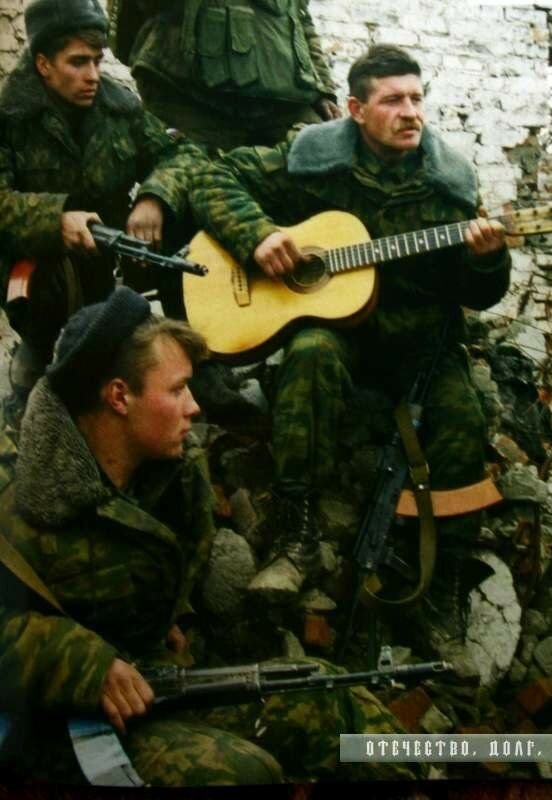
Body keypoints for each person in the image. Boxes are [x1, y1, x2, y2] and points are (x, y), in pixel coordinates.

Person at [0, 286, 417, 786]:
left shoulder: (175, 471)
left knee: (327, 696)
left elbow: (182, 561)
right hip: (67, 729)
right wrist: (84, 662)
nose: (195, 406)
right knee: (244, 774)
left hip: (161, 685)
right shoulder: (20, 497)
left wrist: (177, 615)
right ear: (118, 397)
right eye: (176, 390)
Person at [190, 44, 511, 643]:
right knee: (308, 355)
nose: (411, 112)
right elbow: (214, 175)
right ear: (356, 110)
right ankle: (297, 536)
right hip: (340, 331)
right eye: (393, 100)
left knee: (462, 417)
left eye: (417, 98)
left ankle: (439, 582)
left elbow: (481, 296)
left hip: (420, 341)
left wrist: (487, 262)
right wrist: (259, 236)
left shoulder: (451, 187)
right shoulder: (314, 158)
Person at [0, 0, 201, 416]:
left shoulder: (119, 107)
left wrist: (153, 197)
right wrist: (55, 221)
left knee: (185, 218)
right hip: (36, 275)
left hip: (108, 263)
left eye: (97, 60)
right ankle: (38, 366)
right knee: (41, 395)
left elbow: (182, 155)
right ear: (43, 64)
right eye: (77, 62)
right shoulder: (10, 119)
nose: (92, 75)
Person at [108, 0, 341, 154]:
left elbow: (300, 20)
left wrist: (322, 88)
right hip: (190, 96)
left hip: (282, 101)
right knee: (194, 191)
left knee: (322, 164)